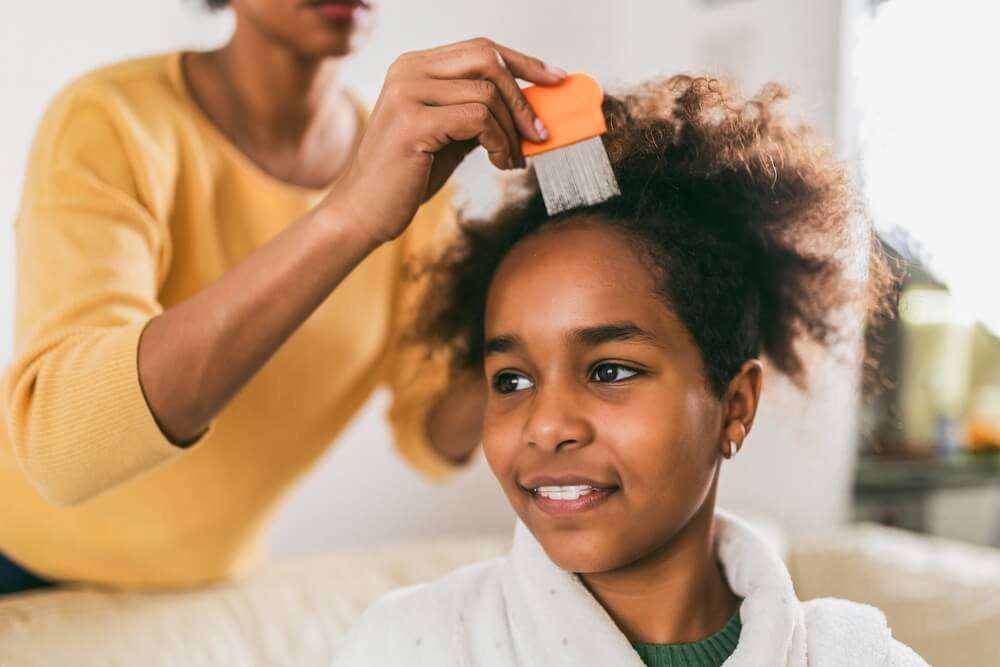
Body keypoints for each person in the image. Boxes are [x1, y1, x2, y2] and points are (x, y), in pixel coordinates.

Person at [332, 75, 928, 665]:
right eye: (512, 380)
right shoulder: (409, 645)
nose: (546, 426)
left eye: (610, 371)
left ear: (735, 405)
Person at [0, 0, 568, 594]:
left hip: (204, 591)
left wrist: (532, 290)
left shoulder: (412, 173)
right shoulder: (111, 123)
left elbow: (431, 431)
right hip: (17, 561)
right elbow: (63, 444)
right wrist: (348, 218)